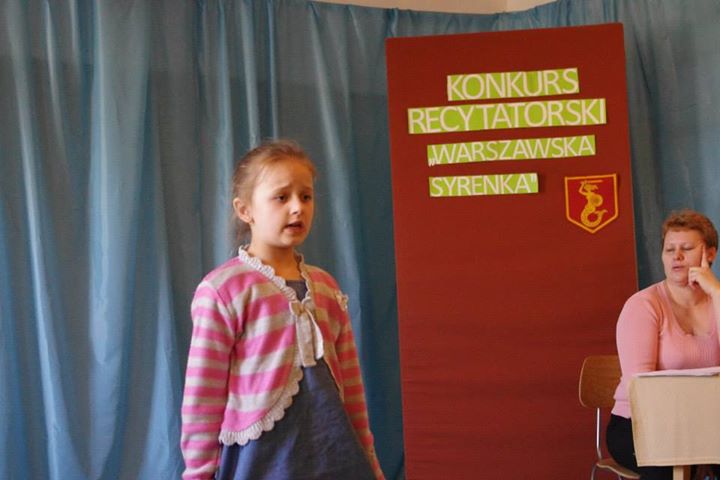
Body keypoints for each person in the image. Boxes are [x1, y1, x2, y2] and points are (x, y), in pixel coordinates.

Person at [180, 140, 384, 480]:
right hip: (261, 462)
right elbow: (203, 396)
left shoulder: (327, 288)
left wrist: (371, 462)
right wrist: (198, 474)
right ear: (245, 210)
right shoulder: (222, 290)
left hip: (334, 459)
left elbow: (351, 388)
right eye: (281, 197)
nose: (297, 208)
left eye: (306, 196)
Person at [607, 209, 720, 479]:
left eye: (686, 248)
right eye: (669, 249)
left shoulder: (717, 300)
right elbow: (641, 391)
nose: (676, 256)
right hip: (640, 426)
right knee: (666, 470)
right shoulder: (643, 305)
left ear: (710, 254)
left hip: (708, 422)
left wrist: (716, 292)